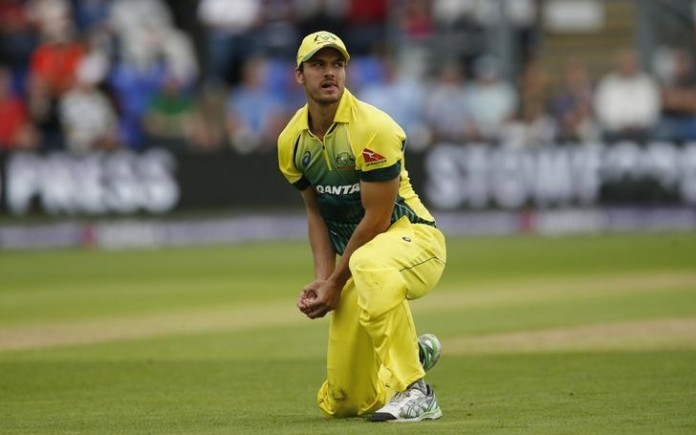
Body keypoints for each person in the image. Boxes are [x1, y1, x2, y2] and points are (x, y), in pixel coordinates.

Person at [277, 31, 447, 422]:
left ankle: (417, 391)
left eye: (337, 64)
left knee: (368, 263)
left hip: (414, 241)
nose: (329, 73)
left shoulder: (374, 128)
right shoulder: (291, 141)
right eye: (318, 64)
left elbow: (378, 219)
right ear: (299, 75)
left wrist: (336, 281)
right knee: (345, 401)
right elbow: (316, 213)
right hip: (361, 262)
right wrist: (324, 280)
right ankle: (413, 354)